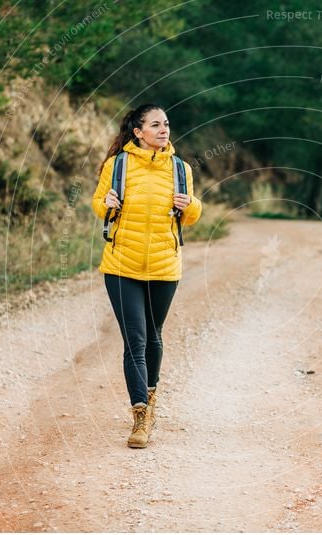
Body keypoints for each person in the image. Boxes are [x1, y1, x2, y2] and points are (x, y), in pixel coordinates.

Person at [91, 104, 202, 448]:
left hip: (164, 267)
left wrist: (191, 206)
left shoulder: (181, 168)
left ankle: (150, 397)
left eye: (166, 124)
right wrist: (106, 201)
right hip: (121, 265)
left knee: (154, 335)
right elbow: (99, 205)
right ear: (138, 132)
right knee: (135, 340)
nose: (164, 129)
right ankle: (140, 413)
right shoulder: (117, 165)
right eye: (155, 125)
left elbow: (191, 215)